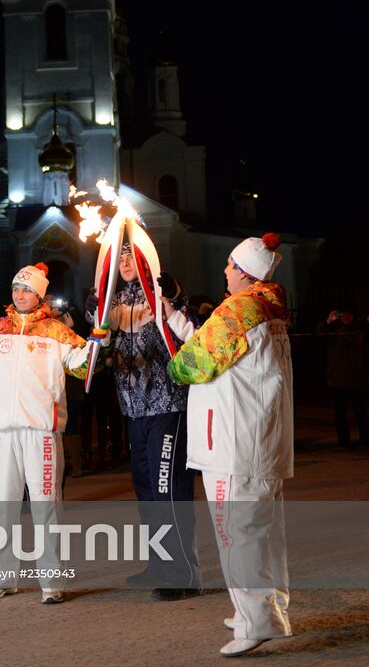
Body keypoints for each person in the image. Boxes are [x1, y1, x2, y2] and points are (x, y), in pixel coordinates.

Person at [0, 262, 105, 604]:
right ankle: (2, 577)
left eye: (27, 289)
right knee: (3, 505)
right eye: (16, 288)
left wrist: (98, 340)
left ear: (40, 294)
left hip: (41, 431)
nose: (20, 294)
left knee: (46, 506)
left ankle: (51, 581)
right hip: (0, 431)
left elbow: (83, 366)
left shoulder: (57, 333)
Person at [166, 233, 293, 658]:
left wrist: (174, 363)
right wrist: (174, 319)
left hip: (234, 443)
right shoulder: (267, 309)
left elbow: (193, 364)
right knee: (264, 533)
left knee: (238, 534)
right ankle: (262, 611)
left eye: (228, 265)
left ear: (244, 271)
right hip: (260, 440)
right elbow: (213, 342)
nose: (223, 271)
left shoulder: (238, 310)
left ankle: (257, 622)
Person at [86, 245, 202, 599]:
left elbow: (182, 308)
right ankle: (160, 562)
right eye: (120, 259)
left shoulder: (162, 291)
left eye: (130, 258)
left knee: (168, 488)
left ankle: (182, 574)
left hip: (167, 403)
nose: (124, 264)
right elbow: (98, 332)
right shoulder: (114, 302)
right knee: (147, 491)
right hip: (133, 408)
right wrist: (95, 305)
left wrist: (168, 289)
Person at [324, 310, 369, 448]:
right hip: (338, 379)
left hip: (356, 378)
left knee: (360, 412)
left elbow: (365, 353)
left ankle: (365, 440)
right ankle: (344, 441)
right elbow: (320, 334)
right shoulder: (333, 330)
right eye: (344, 315)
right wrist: (328, 322)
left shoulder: (358, 331)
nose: (348, 317)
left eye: (350, 314)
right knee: (340, 413)